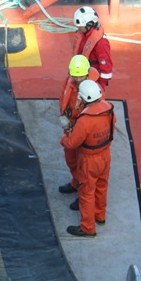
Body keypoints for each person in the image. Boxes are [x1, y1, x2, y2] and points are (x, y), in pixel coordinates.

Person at [60, 80, 116, 237]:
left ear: (83, 98)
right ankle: (100, 216)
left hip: (89, 160)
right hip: (105, 155)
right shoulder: (109, 110)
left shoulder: (84, 120)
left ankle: (87, 228)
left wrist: (65, 135)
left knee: (86, 192)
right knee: (101, 186)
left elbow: (72, 143)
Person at [57, 54, 100, 195]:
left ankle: (82, 192)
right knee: (71, 158)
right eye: (75, 76)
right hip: (70, 125)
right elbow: (63, 97)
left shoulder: (94, 90)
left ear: (87, 74)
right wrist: (64, 116)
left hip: (83, 129)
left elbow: (94, 116)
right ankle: (75, 183)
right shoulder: (70, 82)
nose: (78, 79)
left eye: (81, 77)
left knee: (84, 165)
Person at [72, 6, 113, 91]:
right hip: (81, 73)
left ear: (89, 25)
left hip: (93, 77)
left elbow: (106, 68)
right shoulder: (83, 35)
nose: (79, 29)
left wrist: (100, 87)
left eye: (81, 27)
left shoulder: (101, 43)